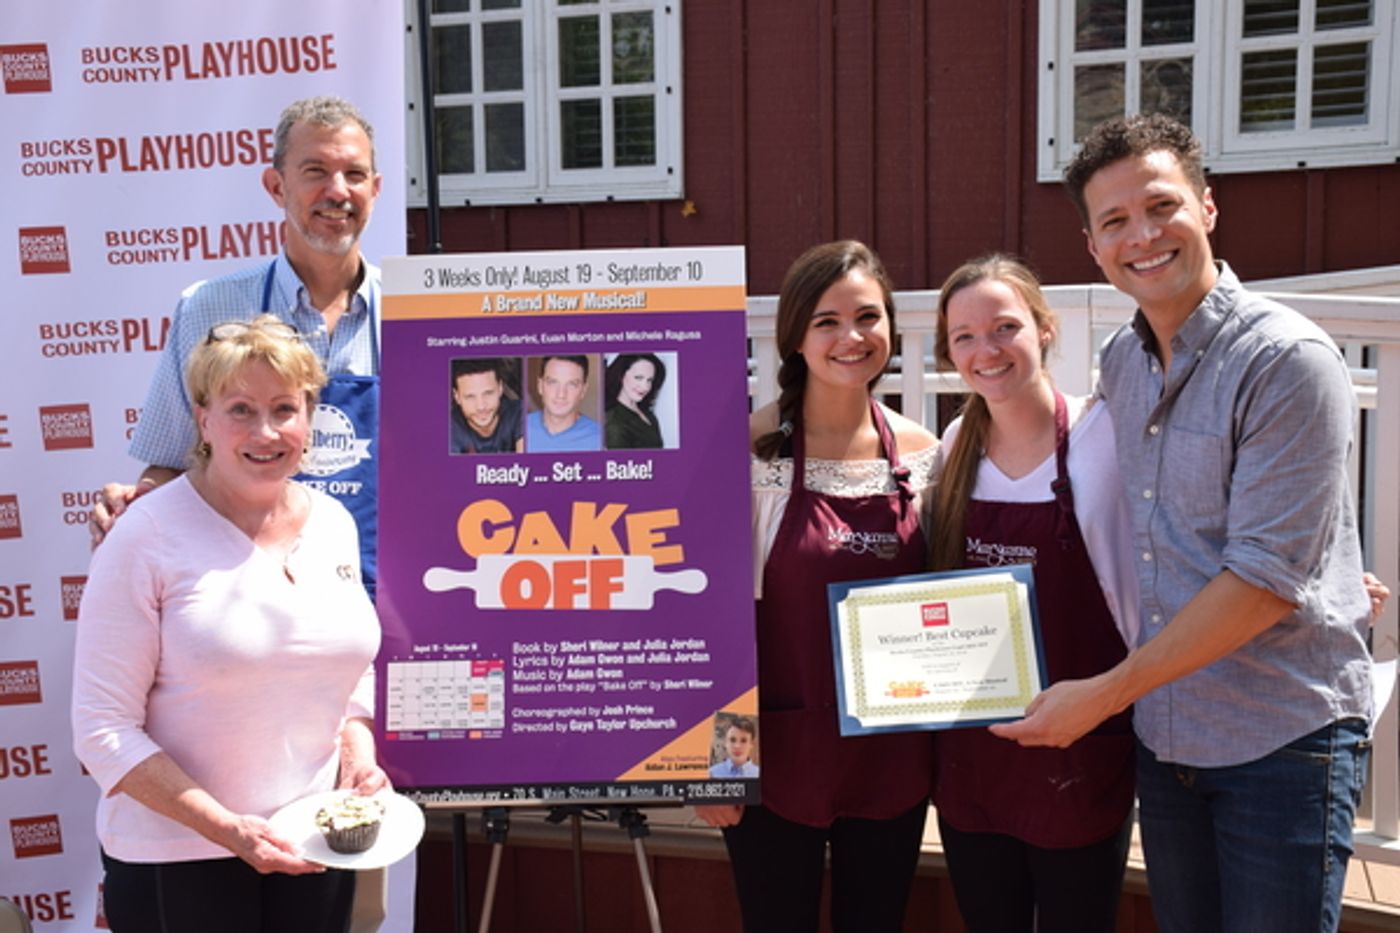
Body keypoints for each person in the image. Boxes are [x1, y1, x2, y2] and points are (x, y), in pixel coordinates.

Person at [991, 113, 1375, 933]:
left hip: (1283, 738)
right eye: (1116, 221)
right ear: (1092, 246)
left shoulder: (1285, 361)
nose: (1144, 235)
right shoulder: (1124, 364)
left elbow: (1266, 581)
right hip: (1170, 741)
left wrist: (1103, 696)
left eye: (1161, 206)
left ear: (1207, 207)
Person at [72, 316, 386, 933]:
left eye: (284, 409)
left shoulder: (334, 523)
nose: (265, 432)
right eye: (240, 409)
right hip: (179, 860)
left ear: (309, 415)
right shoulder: (143, 535)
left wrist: (358, 757)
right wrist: (226, 828)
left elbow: (345, 673)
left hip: (313, 846)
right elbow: (102, 729)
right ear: (202, 420)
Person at [695, 241, 938, 933]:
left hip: (891, 756)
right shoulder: (745, 453)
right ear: (796, 336)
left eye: (867, 316)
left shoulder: (925, 457)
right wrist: (716, 767)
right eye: (827, 320)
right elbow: (714, 620)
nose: (851, 337)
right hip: (771, 758)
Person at [91, 95, 383, 595]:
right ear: (276, 186)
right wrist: (134, 504)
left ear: (375, 190)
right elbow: (173, 462)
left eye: (354, 175)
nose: (338, 191)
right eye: (315, 171)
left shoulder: (419, 311)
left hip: (384, 602)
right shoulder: (208, 307)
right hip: (246, 603)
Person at [928, 255, 1138, 933]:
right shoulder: (955, 444)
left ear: (1045, 329)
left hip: (1081, 744)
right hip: (975, 751)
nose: (985, 349)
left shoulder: (1102, 437)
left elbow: (1181, 541)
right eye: (963, 336)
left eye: (1004, 326)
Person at [525, 355, 600, 451]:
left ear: (583, 391)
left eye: (572, 384)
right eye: (553, 382)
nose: (561, 394)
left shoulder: (598, 439)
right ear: (540, 386)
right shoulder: (520, 429)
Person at [450, 358, 523, 454]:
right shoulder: (448, 427)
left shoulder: (519, 413)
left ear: (500, 388)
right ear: (457, 396)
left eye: (488, 393)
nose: (481, 406)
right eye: (470, 397)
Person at [604, 352, 666, 449]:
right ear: (621, 375)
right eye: (638, 378)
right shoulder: (615, 425)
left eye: (649, 380)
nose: (645, 387)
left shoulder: (646, 412)